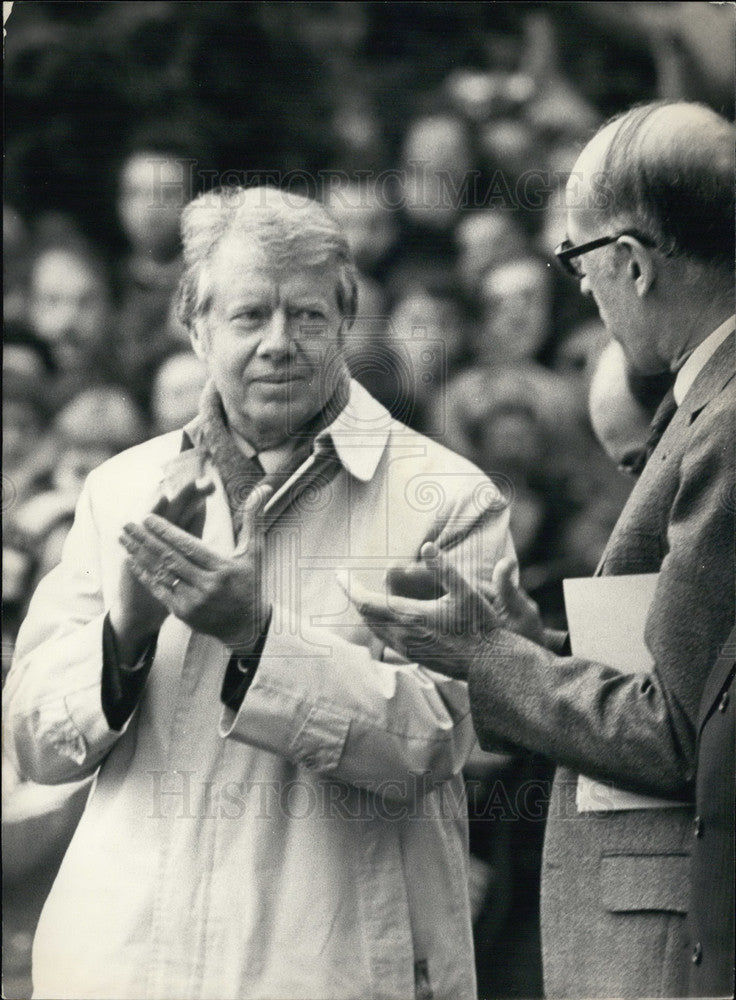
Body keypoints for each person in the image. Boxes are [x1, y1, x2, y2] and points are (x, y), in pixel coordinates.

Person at [6, 185, 516, 1000]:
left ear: (347, 322)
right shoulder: (121, 488)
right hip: (126, 965)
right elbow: (32, 742)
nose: (279, 342)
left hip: (327, 966)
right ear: (196, 328)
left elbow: (436, 738)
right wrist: (123, 638)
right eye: (249, 316)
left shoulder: (447, 498)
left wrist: (260, 640)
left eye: (307, 315)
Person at [347, 101, 735, 998]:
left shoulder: (722, 421)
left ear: (632, 263)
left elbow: (674, 732)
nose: (583, 295)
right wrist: (535, 649)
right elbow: (702, 671)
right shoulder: (701, 400)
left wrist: (483, 659)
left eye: (577, 262)